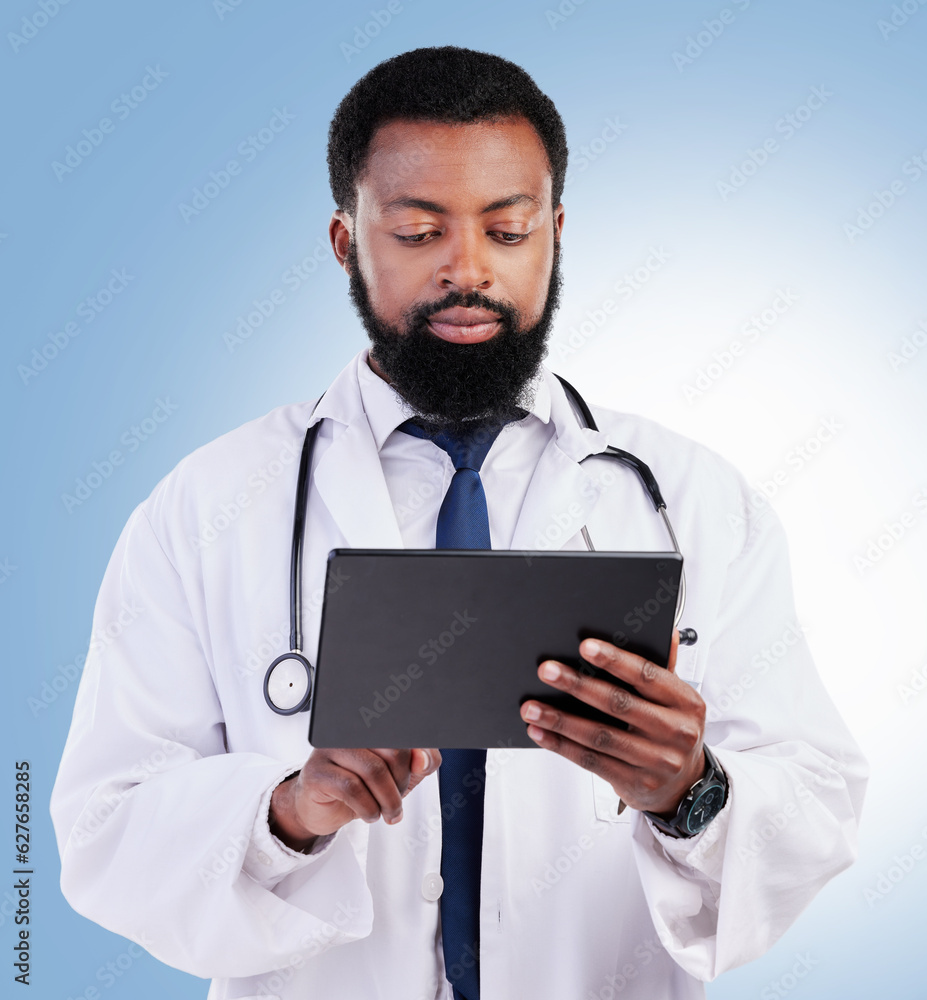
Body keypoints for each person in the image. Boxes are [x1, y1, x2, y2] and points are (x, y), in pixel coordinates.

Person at [51, 46, 867, 1000]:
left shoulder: (690, 498)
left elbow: (818, 804)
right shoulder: (209, 505)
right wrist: (285, 813)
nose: (467, 269)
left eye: (507, 230)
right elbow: (103, 827)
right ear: (346, 240)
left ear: (555, 234)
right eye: (418, 231)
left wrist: (691, 791)